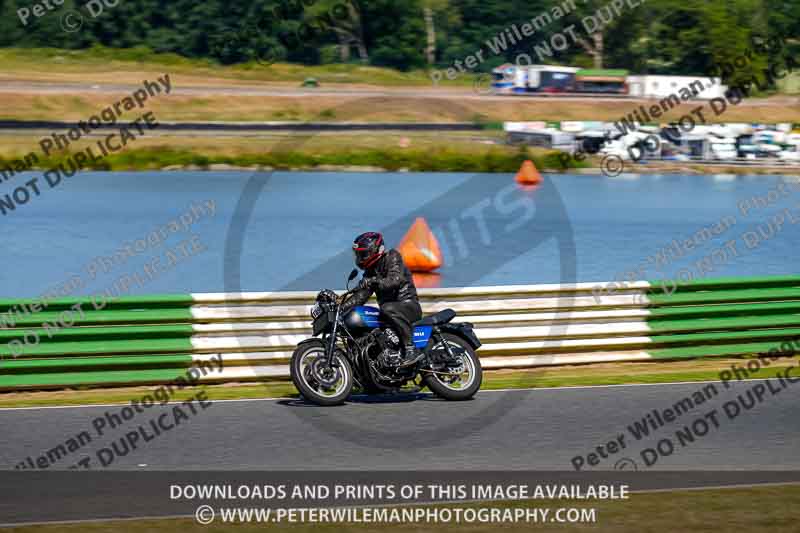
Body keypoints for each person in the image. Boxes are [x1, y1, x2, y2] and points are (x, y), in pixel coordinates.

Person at [349, 231, 423, 367]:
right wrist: (339, 306)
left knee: (387, 308)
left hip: (407, 306)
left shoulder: (392, 256)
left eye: (363, 253)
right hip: (390, 313)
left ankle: (411, 349)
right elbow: (360, 297)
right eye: (359, 254)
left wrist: (374, 281)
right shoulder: (369, 272)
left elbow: (395, 280)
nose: (360, 257)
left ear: (375, 250)